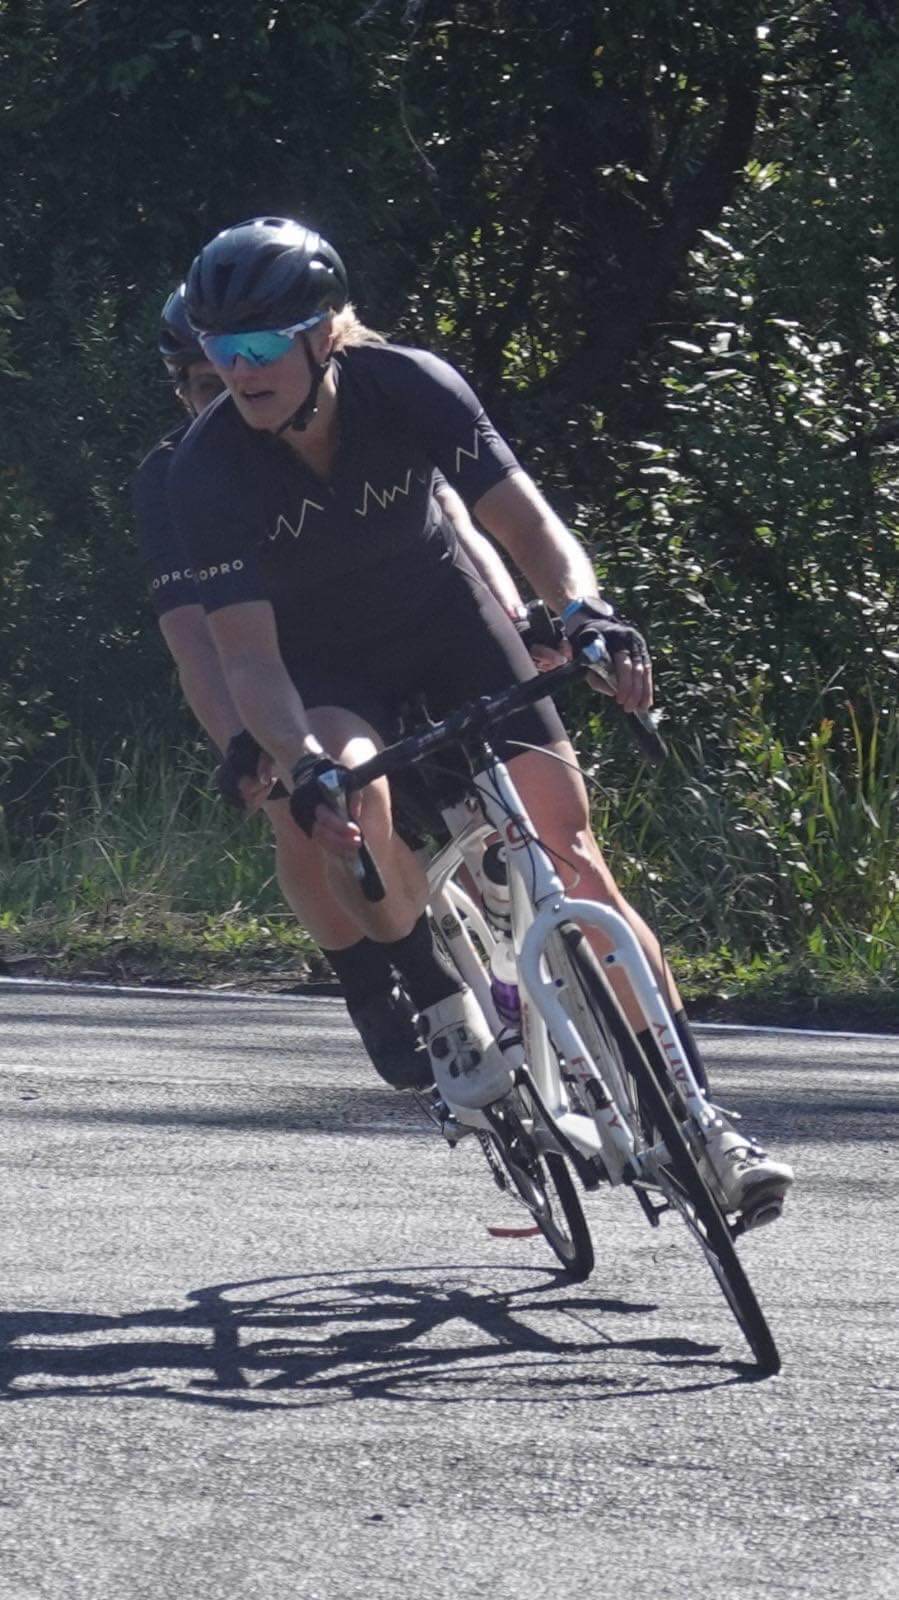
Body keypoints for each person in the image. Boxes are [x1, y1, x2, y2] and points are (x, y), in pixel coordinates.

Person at [171, 216, 793, 1226]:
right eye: (215, 349)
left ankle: (698, 1118)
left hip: (448, 620)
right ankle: (438, 995)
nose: (236, 371)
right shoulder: (206, 471)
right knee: (348, 782)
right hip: (327, 669)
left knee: (570, 846)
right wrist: (302, 764)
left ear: (324, 332)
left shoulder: (407, 384)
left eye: (255, 345)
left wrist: (584, 612)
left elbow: (528, 526)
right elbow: (247, 659)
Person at [133, 286, 535, 1090]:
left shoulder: (363, 416)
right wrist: (250, 748)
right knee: (303, 812)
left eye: (241, 368)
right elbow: (199, 645)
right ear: (185, 389)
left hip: (406, 621)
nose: (229, 393)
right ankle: (383, 986)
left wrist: (520, 614)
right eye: (205, 381)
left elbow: (455, 527)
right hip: (289, 666)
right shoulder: (182, 479)